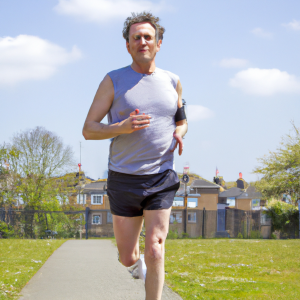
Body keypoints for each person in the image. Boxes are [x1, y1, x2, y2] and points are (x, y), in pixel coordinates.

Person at [82, 12, 188, 300]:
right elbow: (88, 130)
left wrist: (181, 131)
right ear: (128, 45)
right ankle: (134, 266)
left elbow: (181, 119)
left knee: (155, 247)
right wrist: (121, 127)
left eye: (148, 37)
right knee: (128, 256)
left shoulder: (173, 81)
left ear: (159, 43)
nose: (143, 41)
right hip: (124, 179)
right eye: (136, 37)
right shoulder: (113, 80)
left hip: (161, 177)